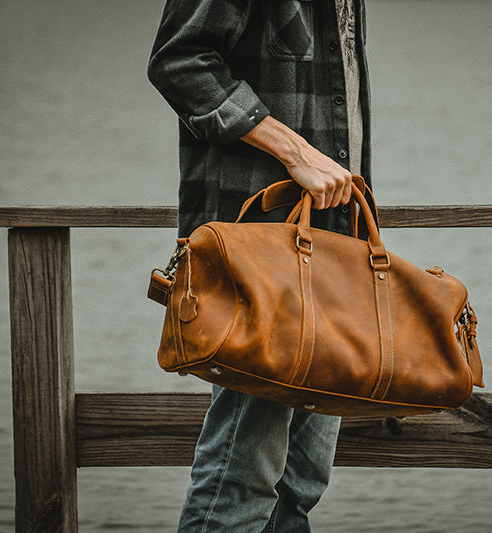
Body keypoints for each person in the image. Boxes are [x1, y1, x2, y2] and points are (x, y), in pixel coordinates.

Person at [147, 1, 371, 530]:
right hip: (260, 255)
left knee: (298, 488)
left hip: (336, 253)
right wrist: (295, 150)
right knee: (240, 485)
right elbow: (179, 60)